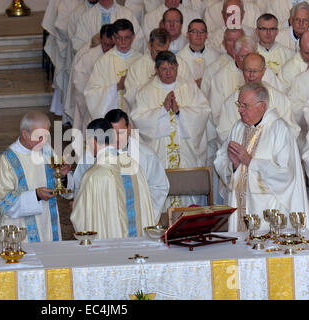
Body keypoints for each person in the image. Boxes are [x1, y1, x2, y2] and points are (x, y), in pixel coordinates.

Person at [214, 82, 309, 232]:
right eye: (239, 104)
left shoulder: (280, 129)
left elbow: (287, 174)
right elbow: (221, 159)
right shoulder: (238, 127)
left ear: (262, 106)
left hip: (267, 209)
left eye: (245, 105)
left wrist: (251, 162)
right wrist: (233, 166)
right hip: (239, 204)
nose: (239, 110)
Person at [131, 51, 211, 209]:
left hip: (186, 152)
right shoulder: (145, 92)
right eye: (164, 69)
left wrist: (180, 111)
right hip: (160, 154)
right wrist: (162, 110)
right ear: (156, 69)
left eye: (171, 68)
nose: (168, 73)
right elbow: (137, 118)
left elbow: (204, 111)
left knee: (188, 193)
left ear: (178, 67)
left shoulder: (189, 87)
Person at [0, 111, 74, 241]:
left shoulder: (46, 150)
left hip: (47, 223)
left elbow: (60, 187)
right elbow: (4, 202)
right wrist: (36, 195)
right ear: (25, 134)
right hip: (19, 230)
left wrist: (62, 176)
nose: (44, 141)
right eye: (39, 136)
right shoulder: (6, 160)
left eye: (46, 136)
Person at [70, 118, 156, 239]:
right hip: (139, 245)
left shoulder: (93, 176)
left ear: (93, 140)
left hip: (111, 250)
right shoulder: (134, 167)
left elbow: (80, 219)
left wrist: (76, 206)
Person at [217, 53, 300, 146]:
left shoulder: (279, 99)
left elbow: (291, 130)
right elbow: (224, 133)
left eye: (255, 71)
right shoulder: (230, 102)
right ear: (242, 70)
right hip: (241, 153)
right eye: (248, 70)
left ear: (264, 71)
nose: (251, 75)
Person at [208, 35, 282, 129]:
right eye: (243, 56)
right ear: (235, 54)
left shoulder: (269, 76)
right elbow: (218, 119)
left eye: (250, 55)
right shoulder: (220, 78)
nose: (247, 61)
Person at [84, 19, 142, 120]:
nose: (123, 42)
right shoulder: (103, 61)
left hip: (133, 119)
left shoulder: (141, 61)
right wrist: (117, 87)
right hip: (111, 119)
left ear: (133, 37)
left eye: (127, 38)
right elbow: (91, 94)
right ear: (114, 39)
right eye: (119, 38)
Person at [65, 24, 115, 136]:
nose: (108, 49)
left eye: (112, 46)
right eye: (106, 45)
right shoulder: (88, 56)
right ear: (101, 39)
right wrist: (93, 95)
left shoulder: (118, 56)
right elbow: (78, 81)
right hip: (91, 102)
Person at [124, 28, 193, 109]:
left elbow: (190, 91)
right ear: (150, 46)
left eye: (164, 51)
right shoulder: (136, 67)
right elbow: (131, 97)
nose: (161, 56)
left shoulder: (180, 64)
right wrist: (154, 80)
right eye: (157, 51)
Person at [72, 0, 145, 52]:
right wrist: (93, 44)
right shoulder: (87, 17)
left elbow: (138, 41)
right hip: (94, 64)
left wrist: (121, 49)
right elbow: (78, 44)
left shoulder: (127, 14)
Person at [200, 28, 245, 99]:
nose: (235, 44)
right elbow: (205, 100)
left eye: (238, 40)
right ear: (224, 43)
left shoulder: (254, 65)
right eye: (230, 40)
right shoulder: (212, 70)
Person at [177, 19, 220, 89]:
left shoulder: (216, 57)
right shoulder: (179, 58)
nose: (198, 35)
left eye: (202, 31)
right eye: (194, 31)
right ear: (187, 35)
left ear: (206, 35)